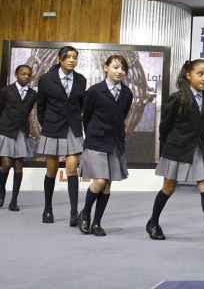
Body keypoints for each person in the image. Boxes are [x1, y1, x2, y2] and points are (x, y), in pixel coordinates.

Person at [145, 59, 204, 246]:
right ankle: (153, 222)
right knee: (169, 187)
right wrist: (164, 151)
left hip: (198, 148)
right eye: (200, 74)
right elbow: (165, 126)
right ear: (188, 75)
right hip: (176, 148)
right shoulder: (177, 98)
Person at [78, 55, 133, 236]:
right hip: (96, 140)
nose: (119, 71)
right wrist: (92, 133)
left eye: (122, 69)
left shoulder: (127, 93)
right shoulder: (94, 91)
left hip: (115, 142)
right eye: (116, 67)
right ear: (106, 68)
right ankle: (85, 213)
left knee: (108, 185)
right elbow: (86, 116)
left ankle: (97, 223)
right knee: (100, 181)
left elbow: (122, 116)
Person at [36, 46, 86, 225]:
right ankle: (47, 209)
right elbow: (40, 107)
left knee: (72, 169)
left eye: (75, 57)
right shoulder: (46, 80)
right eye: (68, 57)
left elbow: (81, 106)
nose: (72, 60)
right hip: (53, 128)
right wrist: (47, 125)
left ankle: (74, 213)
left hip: (73, 128)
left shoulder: (81, 80)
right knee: (51, 170)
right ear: (60, 59)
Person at [0, 65, 37, 211]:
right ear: (16, 74)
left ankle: (14, 201)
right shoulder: (6, 91)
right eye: (23, 74)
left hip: (21, 132)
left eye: (28, 75)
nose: (26, 77)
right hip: (5, 130)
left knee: (18, 166)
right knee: (6, 164)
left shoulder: (33, 94)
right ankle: (1, 192)